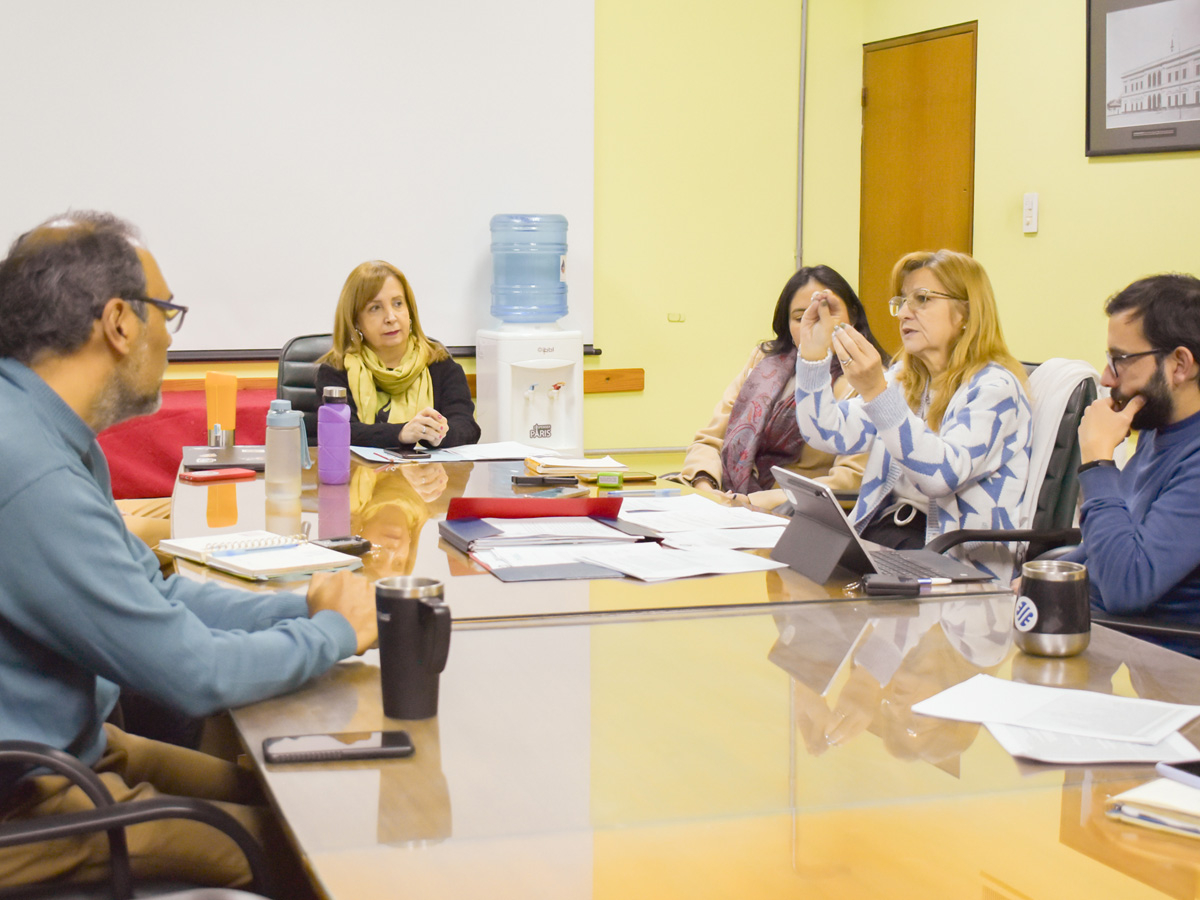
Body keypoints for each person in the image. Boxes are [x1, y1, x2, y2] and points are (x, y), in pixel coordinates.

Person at [0, 211, 379, 892]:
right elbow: (192, 672)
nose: (169, 337)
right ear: (118, 322)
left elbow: (158, 594)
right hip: (26, 801)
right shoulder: (33, 471)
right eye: (164, 313)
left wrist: (306, 607)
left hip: (62, 750)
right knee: (315, 854)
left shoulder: (46, 431)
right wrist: (331, 634)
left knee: (288, 795)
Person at [794, 249, 1032, 579]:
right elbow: (827, 432)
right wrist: (814, 354)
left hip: (953, 560)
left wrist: (876, 392)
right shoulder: (905, 377)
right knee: (799, 569)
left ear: (965, 312)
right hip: (889, 538)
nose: (904, 313)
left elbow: (940, 476)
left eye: (922, 299)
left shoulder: (995, 388)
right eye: (903, 301)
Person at [1062, 274, 1200, 655]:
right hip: (1110, 641)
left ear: (1180, 365)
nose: (1106, 378)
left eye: (1120, 360)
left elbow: (1127, 587)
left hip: (1168, 671)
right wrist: (1050, 578)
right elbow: (1114, 538)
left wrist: (1098, 461)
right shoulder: (1160, 430)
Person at [679, 266, 885, 510]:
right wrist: (706, 487)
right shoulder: (764, 363)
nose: (816, 325)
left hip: (795, 513)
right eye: (800, 318)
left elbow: (850, 479)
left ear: (852, 315)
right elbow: (710, 440)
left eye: (827, 313)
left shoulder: (869, 379)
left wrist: (753, 502)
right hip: (725, 501)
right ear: (787, 323)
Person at [316, 260, 481, 450]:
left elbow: (467, 428)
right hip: (358, 476)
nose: (391, 317)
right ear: (355, 321)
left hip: (430, 476)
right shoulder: (336, 371)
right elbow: (341, 431)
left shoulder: (440, 364)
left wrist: (436, 433)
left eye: (398, 304)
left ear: (409, 311)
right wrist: (402, 433)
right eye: (375, 308)